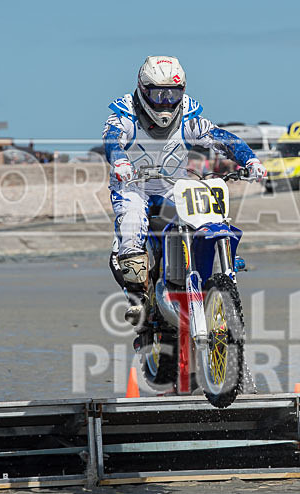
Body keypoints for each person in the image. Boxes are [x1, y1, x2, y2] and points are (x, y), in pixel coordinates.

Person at [102, 56, 265, 324]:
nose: (166, 101)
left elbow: (219, 137)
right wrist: (119, 160)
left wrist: (249, 159)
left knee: (207, 213)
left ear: (183, 91)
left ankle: (216, 265)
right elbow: (112, 139)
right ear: (143, 91)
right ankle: (137, 297)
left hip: (173, 184)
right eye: (159, 94)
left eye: (173, 94)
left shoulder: (188, 118)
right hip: (132, 184)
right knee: (131, 224)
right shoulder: (124, 115)